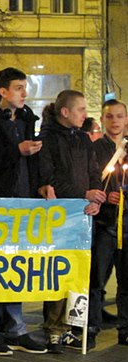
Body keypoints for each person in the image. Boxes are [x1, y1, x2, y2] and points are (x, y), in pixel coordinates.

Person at [0, 67, 48, 356]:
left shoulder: (28, 119)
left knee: (16, 267)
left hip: (22, 202)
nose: (24, 93)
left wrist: (41, 185)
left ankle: (16, 328)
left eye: (25, 87)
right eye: (18, 88)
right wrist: (17, 150)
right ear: (3, 92)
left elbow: (34, 160)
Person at [38, 90, 104, 353]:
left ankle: (74, 325)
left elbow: (94, 171)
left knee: (78, 272)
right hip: (59, 215)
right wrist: (82, 194)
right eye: (80, 110)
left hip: (83, 215)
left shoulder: (84, 140)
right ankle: (54, 329)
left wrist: (96, 197)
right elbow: (49, 177)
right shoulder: (47, 139)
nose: (85, 115)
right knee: (57, 271)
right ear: (65, 112)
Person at [89, 99, 128, 346]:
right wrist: (103, 197)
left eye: (119, 116)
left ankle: (125, 329)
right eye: (110, 116)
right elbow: (91, 178)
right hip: (103, 223)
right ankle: (91, 326)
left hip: (127, 224)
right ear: (102, 120)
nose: (115, 121)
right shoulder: (95, 149)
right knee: (96, 280)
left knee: (126, 282)